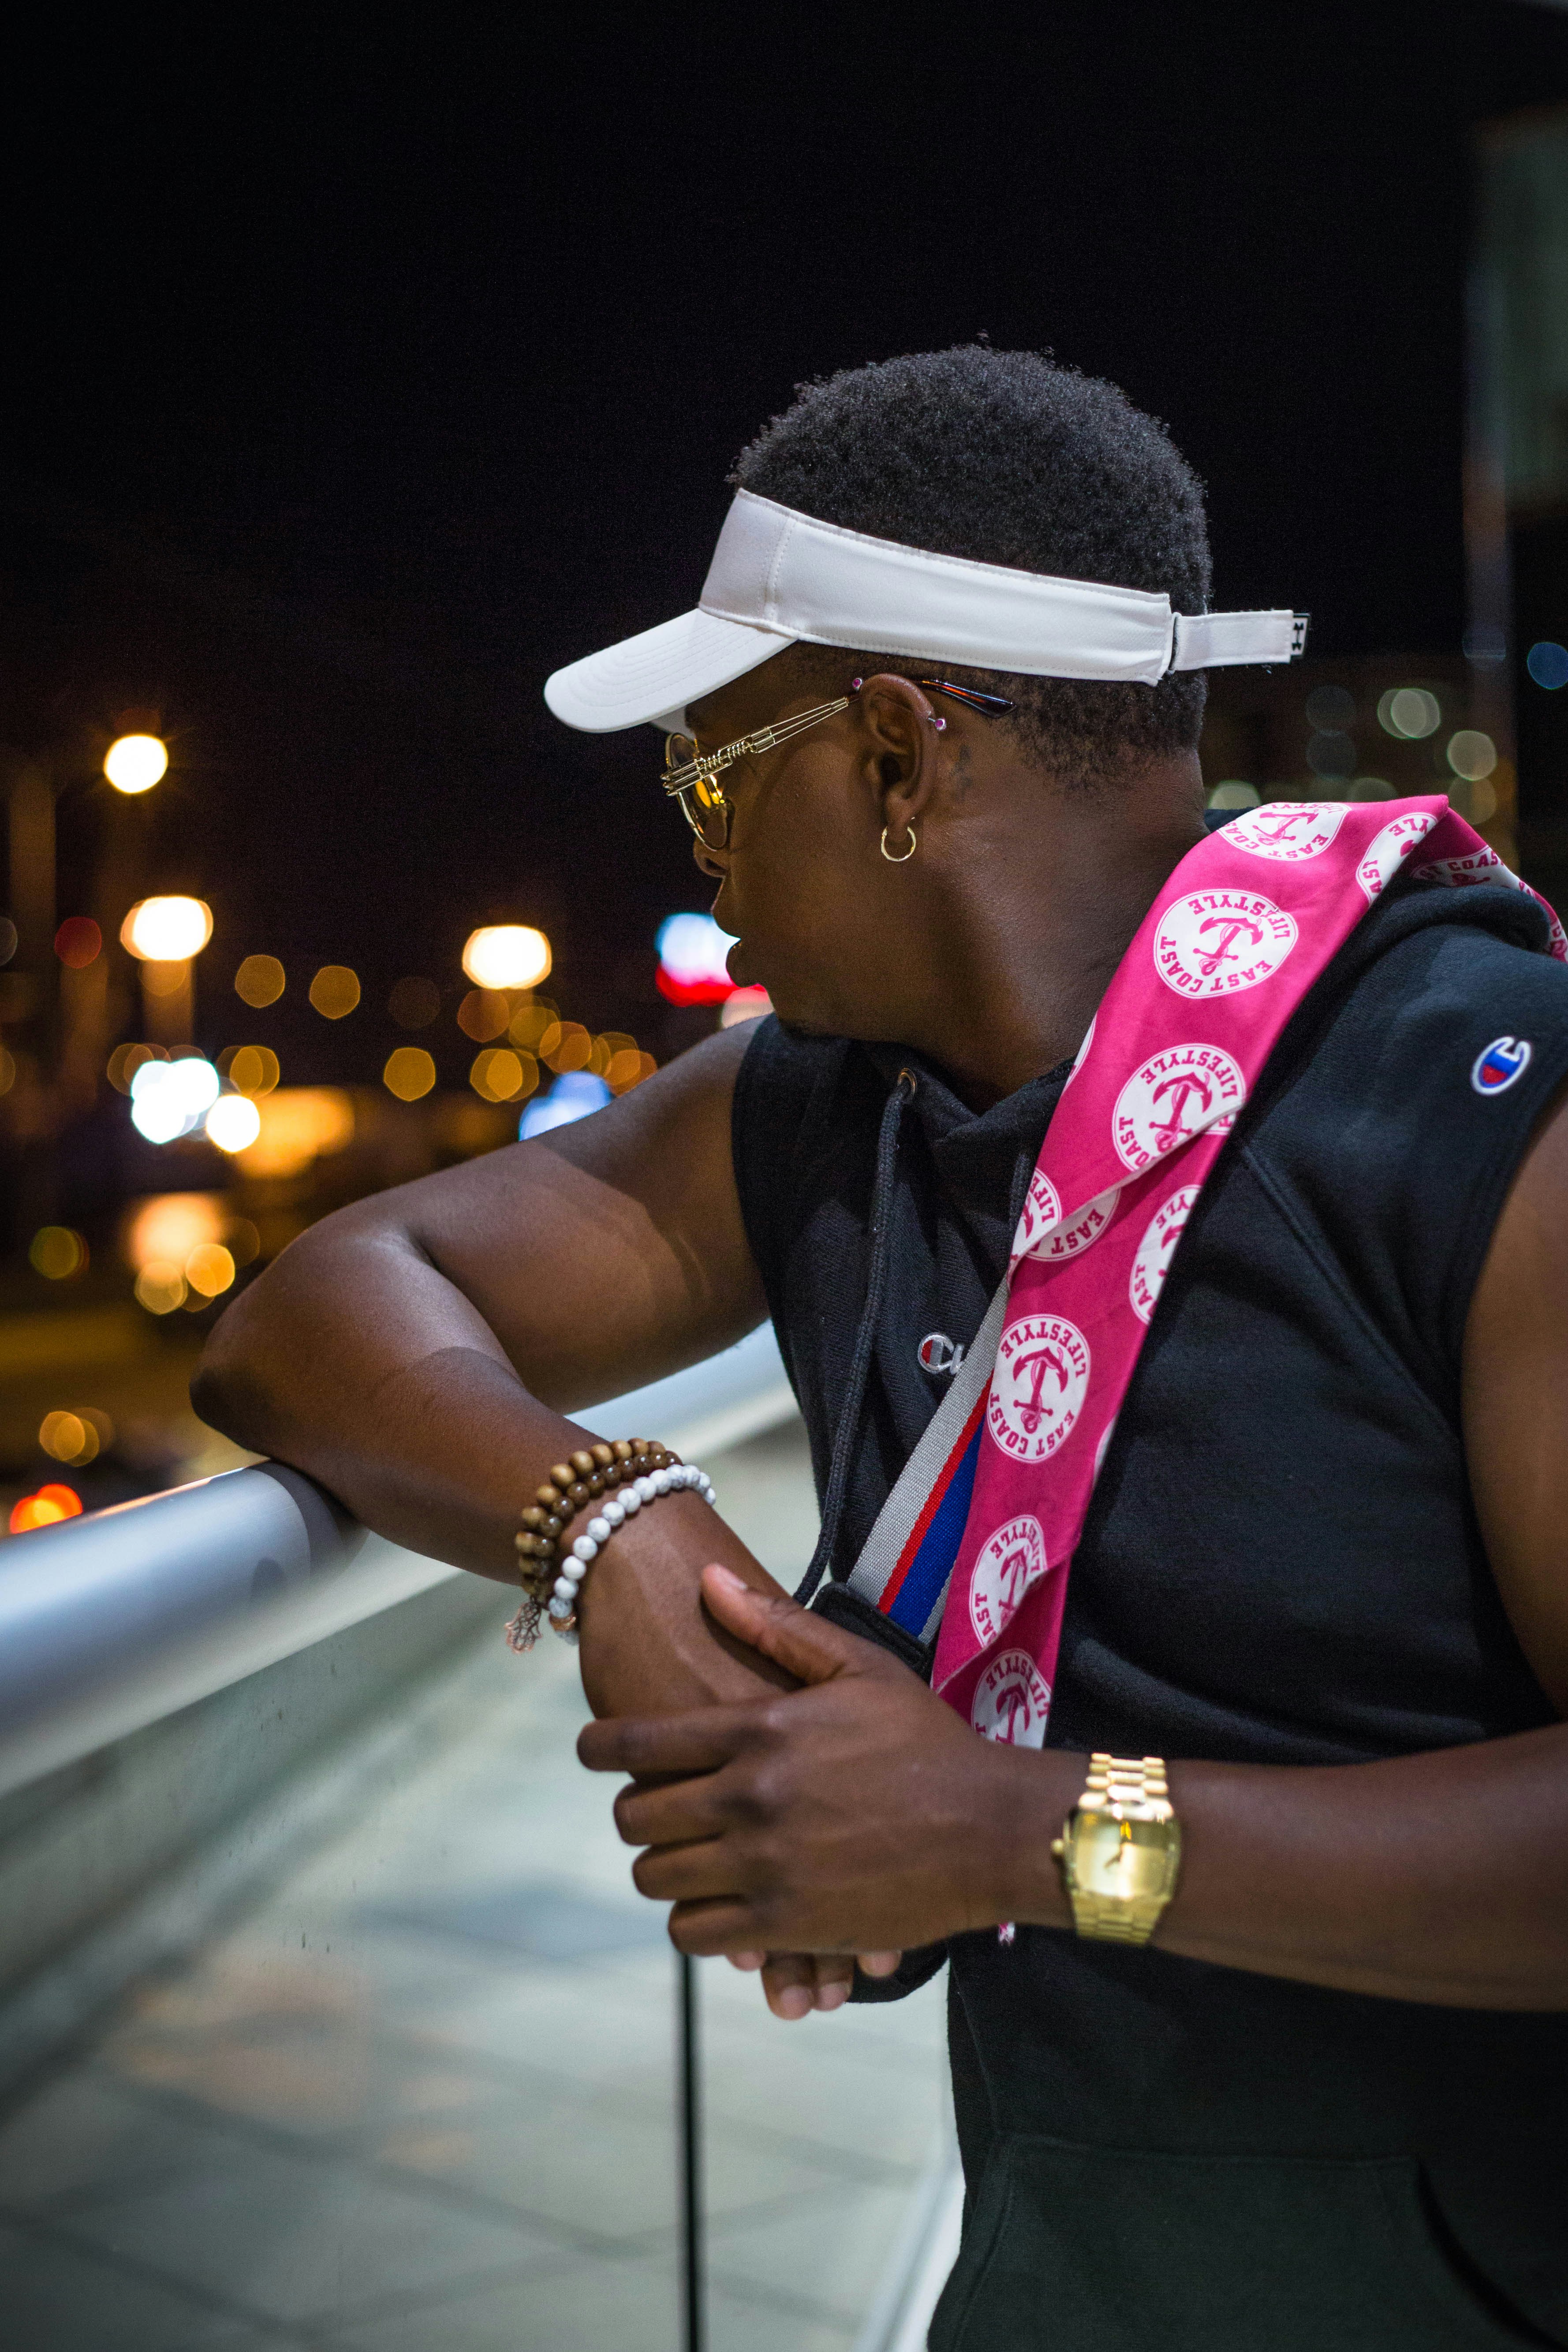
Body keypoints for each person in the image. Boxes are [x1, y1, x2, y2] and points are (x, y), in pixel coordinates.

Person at [195, 347, 1568, 2350]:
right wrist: (612, 1524)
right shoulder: (836, 1102)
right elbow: (311, 1313)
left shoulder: (1471, 1097)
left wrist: (1020, 1828)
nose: (701, 856)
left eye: (712, 773)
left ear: (901, 754)